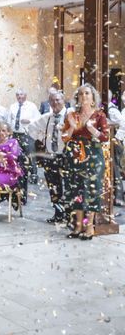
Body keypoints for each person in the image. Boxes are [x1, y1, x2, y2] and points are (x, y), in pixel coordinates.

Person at [62, 84, 109, 240]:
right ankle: (78, 226)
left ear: (93, 97)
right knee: (76, 191)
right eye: (81, 94)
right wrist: (71, 127)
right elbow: (64, 137)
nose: (84, 96)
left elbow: (105, 137)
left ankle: (89, 227)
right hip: (75, 155)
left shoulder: (99, 115)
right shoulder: (72, 115)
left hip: (94, 155)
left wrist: (91, 129)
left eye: (87, 93)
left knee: (92, 190)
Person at [28, 91, 68, 223]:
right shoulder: (47, 117)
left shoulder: (70, 115)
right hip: (50, 156)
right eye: (52, 100)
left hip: (66, 156)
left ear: (63, 100)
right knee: (54, 187)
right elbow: (31, 128)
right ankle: (58, 214)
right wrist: (43, 139)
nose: (55, 103)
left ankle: (69, 215)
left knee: (68, 186)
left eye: (57, 100)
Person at [7, 89, 40, 183]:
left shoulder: (32, 106)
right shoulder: (12, 106)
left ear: (26, 95)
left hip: (27, 135)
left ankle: (33, 176)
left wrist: (30, 121)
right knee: (16, 155)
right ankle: (18, 174)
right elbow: (9, 121)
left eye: (21, 94)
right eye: (17, 95)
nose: (19, 96)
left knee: (31, 155)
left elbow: (38, 119)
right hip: (15, 134)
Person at [106, 91, 124, 206]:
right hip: (111, 143)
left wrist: (117, 138)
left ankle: (118, 196)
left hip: (115, 143)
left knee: (115, 169)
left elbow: (122, 124)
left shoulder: (112, 110)